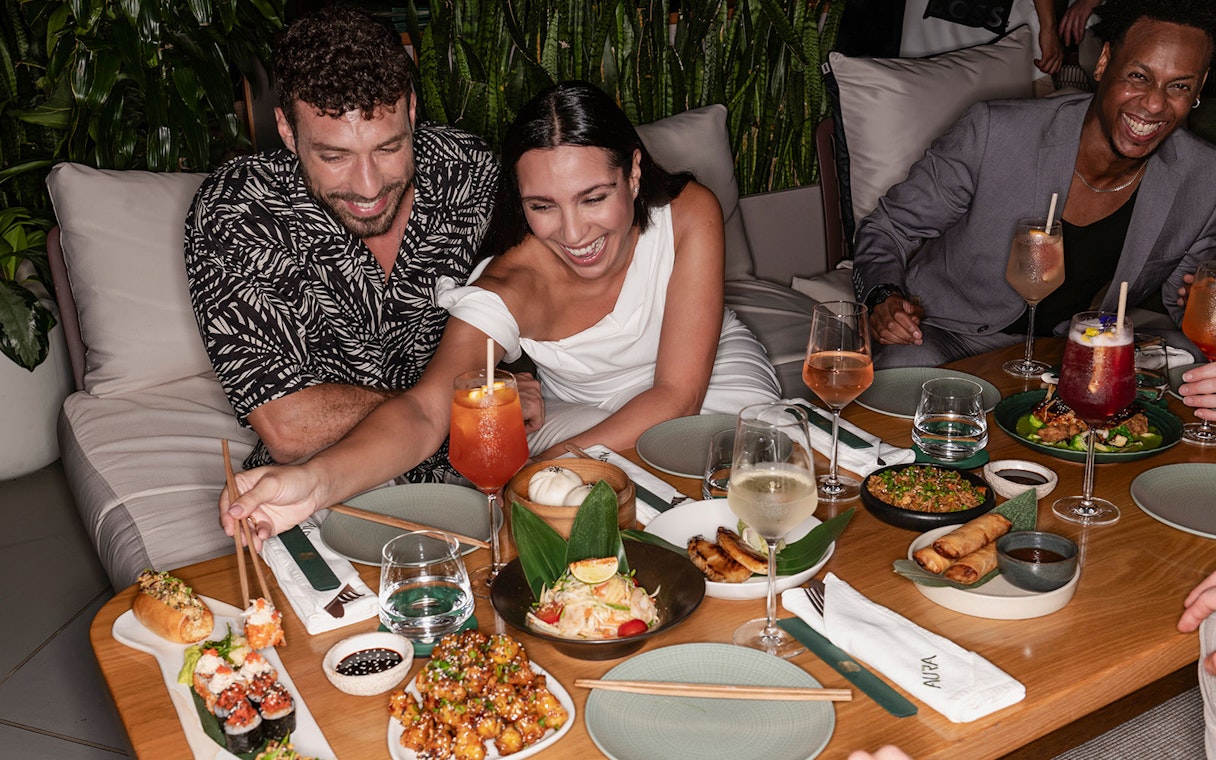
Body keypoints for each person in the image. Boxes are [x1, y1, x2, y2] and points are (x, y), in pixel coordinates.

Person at [222, 80, 780, 545]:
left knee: (747, 470)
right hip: (583, 405)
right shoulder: (509, 285)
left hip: (701, 372)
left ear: (633, 173)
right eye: (543, 207)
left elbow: (676, 397)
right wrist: (312, 484)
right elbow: (424, 412)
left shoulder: (688, 211)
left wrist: (556, 459)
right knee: (573, 511)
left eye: (593, 197)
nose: (575, 232)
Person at [184, 9, 532, 484]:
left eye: (388, 148)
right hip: (325, 485)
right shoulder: (239, 210)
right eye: (335, 156)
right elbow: (288, 426)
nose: (369, 187)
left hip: (478, 465)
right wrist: (464, 403)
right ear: (287, 130)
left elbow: (536, 294)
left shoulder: (468, 172)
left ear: (411, 111)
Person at [853, 0, 1216, 369]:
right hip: (948, 334)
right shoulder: (994, 132)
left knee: (1188, 359)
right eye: (1139, 76)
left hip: (1072, 349)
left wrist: (1197, 302)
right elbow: (889, 227)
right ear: (1105, 62)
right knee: (907, 366)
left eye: (1179, 86)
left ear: (1198, 87)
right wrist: (883, 296)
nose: (1155, 104)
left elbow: (1189, 300)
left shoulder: (1202, 175)